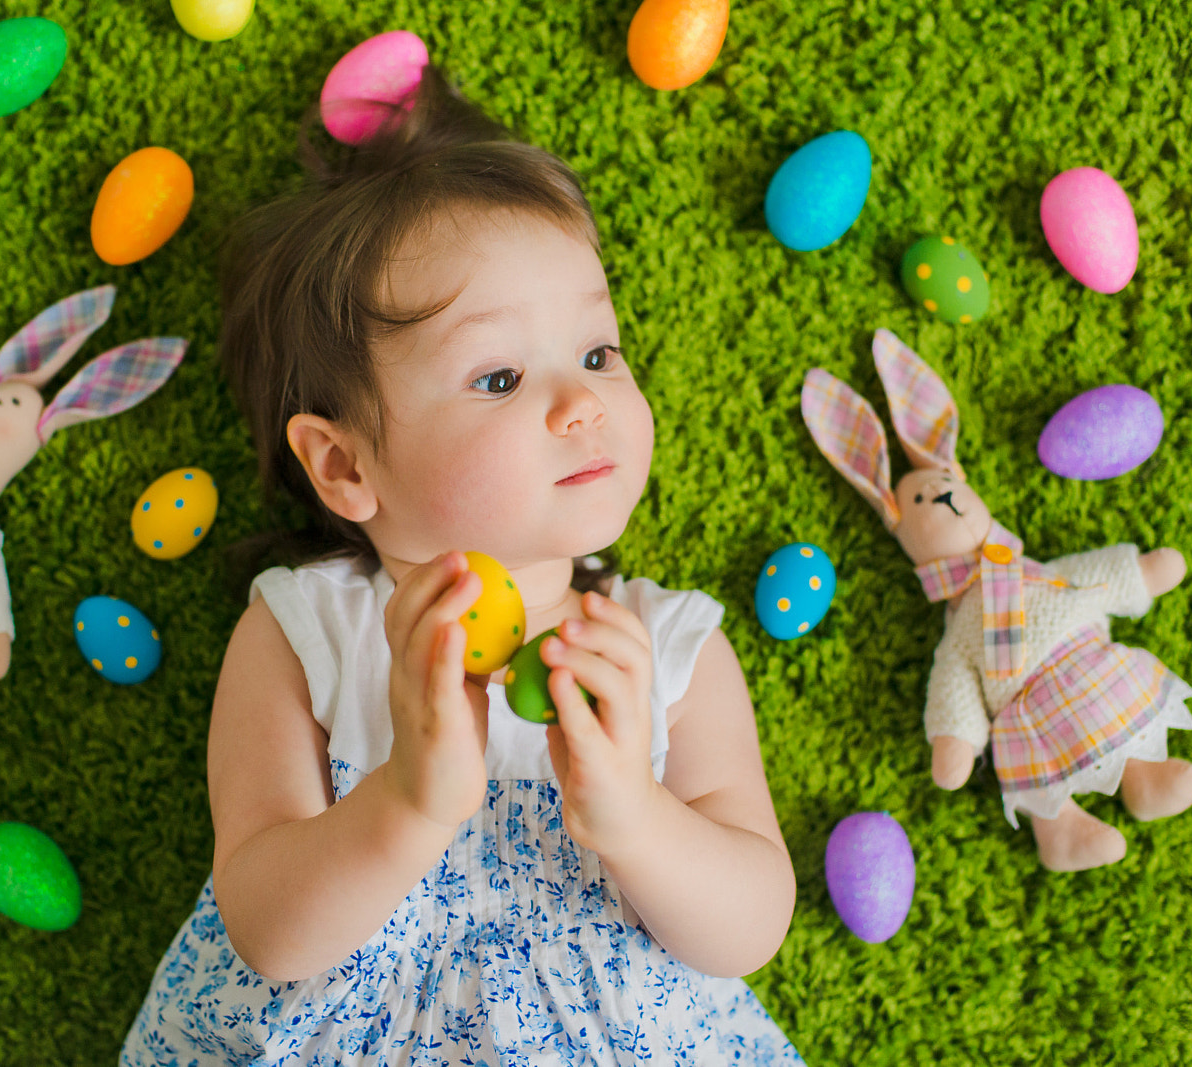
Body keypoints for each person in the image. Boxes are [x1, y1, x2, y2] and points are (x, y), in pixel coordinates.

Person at [121, 62, 804, 1065]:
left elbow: (748, 926)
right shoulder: (307, 628)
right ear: (345, 464)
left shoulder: (661, 646)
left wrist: (637, 817)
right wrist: (407, 797)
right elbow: (265, 929)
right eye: (498, 375)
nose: (581, 402)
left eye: (598, 352)